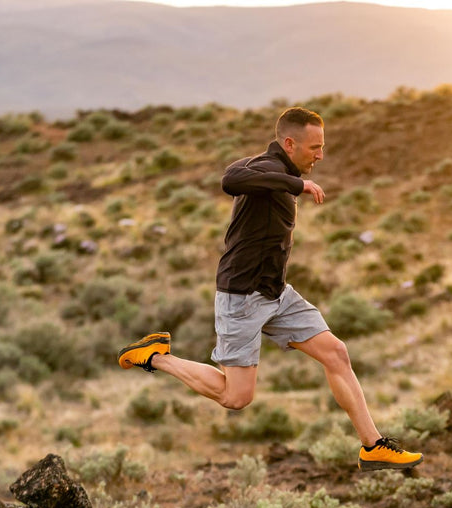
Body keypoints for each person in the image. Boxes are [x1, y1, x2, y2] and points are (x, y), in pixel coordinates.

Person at [118, 107, 422, 472]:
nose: (320, 155)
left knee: (336, 353)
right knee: (236, 397)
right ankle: (156, 356)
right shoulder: (264, 169)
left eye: (322, 146)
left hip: (277, 294)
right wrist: (297, 185)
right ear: (289, 143)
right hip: (242, 296)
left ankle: (372, 447)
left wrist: (294, 182)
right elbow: (230, 179)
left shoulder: (281, 173)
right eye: (314, 147)